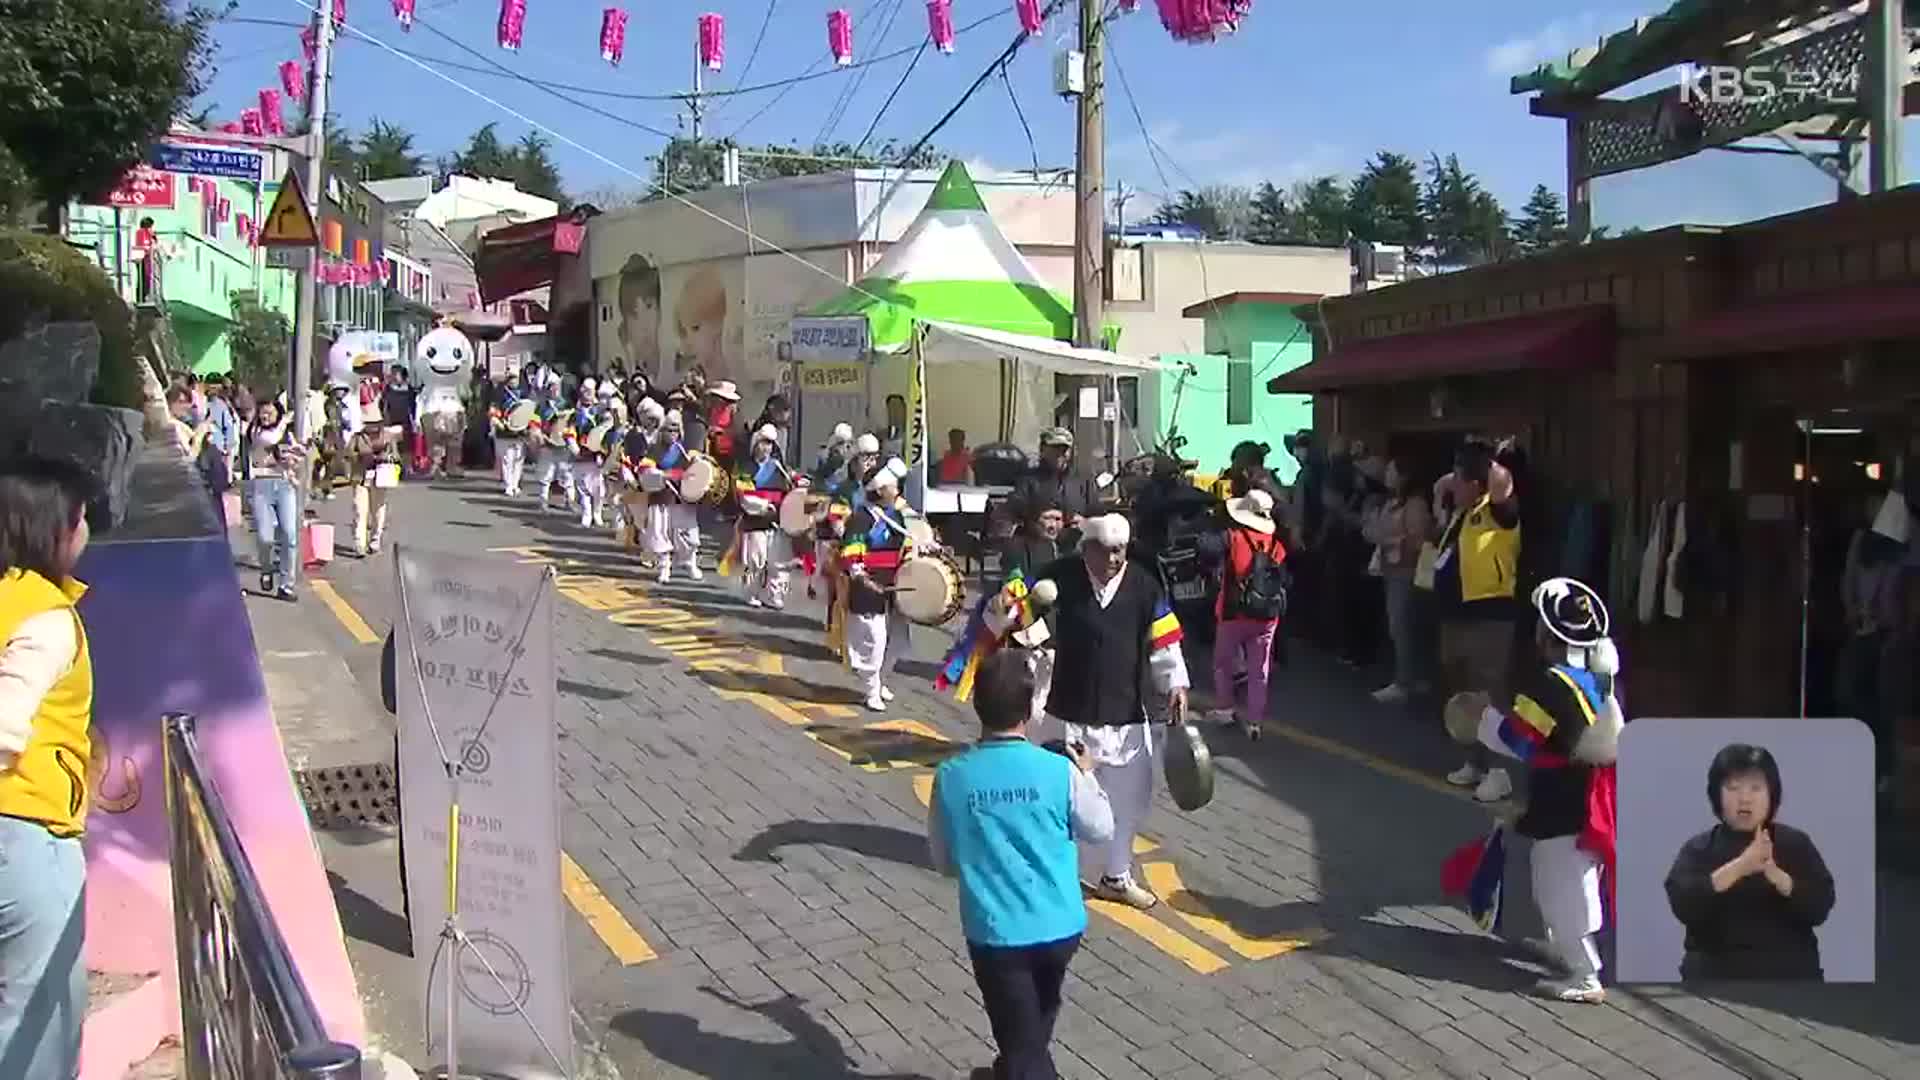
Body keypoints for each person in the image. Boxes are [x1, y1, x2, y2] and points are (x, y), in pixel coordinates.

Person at [926, 649, 1113, 1080]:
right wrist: (1085, 773)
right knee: (1031, 1027)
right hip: (1061, 926)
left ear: (977, 705)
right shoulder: (1058, 770)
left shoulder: (952, 776)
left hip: (996, 933)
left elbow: (943, 861)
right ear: (1028, 712)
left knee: (1023, 1044)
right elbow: (1101, 828)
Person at [1458, 576, 1623, 1003]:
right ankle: (1568, 952)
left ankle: (1585, 974)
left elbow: (1521, 740)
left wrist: (1481, 717)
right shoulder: (1598, 677)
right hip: (1586, 793)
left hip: (1567, 798)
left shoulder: (1553, 683)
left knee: (1561, 882)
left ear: (1547, 634)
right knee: (1569, 877)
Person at [1027, 514, 1190, 910]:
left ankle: (1116, 876)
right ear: (1088, 549)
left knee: (1129, 802)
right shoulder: (1057, 577)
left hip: (1127, 714)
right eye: (1107, 550)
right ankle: (1054, 874)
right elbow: (1017, 617)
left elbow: (1165, 642)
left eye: (1121, 550)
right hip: (1067, 709)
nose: (1115, 559)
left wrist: (1176, 684)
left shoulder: (1145, 586)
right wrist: (1025, 632)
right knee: (1058, 800)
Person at [0, 458, 97, 1080]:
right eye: (81, 518)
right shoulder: (47, 617)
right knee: (40, 1025)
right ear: (52, 529)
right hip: (30, 835)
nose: (86, 531)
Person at [1664, 743, 1835, 981]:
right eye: (1733, 788)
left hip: (1791, 975)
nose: (1744, 799)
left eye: (1756, 788)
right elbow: (1683, 904)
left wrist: (1778, 877)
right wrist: (1740, 867)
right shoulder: (1700, 848)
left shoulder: (1795, 843)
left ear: (1771, 794)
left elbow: (1820, 907)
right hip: (1714, 975)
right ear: (1717, 795)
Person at [1433, 438, 1522, 803]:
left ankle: (1500, 772)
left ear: (1476, 482)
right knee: (1461, 694)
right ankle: (1473, 761)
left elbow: (1500, 482)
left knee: (1491, 694)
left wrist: (1491, 458)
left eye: (1459, 476)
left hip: (1489, 616)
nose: (1451, 482)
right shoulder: (1461, 514)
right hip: (1454, 616)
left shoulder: (1499, 511)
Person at [1207, 489, 1286, 742]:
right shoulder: (1277, 545)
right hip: (1267, 616)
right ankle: (1255, 720)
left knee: (1224, 663)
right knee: (1259, 668)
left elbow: (1205, 548)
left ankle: (1225, 709)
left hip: (1233, 612)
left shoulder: (1233, 538)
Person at [841, 460, 914, 712]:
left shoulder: (896, 515)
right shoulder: (861, 518)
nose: (898, 490)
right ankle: (871, 688)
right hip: (869, 586)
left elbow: (905, 547)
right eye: (893, 485)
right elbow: (851, 557)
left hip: (894, 585)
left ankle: (880, 678)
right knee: (873, 639)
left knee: (897, 639)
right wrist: (864, 580)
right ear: (880, 489)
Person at [1369, 457, 1436, 704]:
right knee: (1403, 626)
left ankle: (1403, 682)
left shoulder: (1415, 504)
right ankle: (1412, 677)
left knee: (1402, 627)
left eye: (1391, 470)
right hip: (1392, 570)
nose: (1387, 474)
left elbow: (1419, 539)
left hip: (1407, 572)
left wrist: (1389, 539)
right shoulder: (1390, 502)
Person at [732, 425, 795, 609]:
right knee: (755, 560)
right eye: (763, 443)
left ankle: (774, 594)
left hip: (775, 522)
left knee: (778, 561)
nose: (766, 448)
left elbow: (787, 490)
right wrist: (764, 506)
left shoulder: (777, 467)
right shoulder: (747, 467)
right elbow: (744, 496)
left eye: (770, 444)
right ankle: (751, 592)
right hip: (755, 521)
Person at [247, 399, 303, 601]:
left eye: (270, 413)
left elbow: (298, 454)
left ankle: (286, 585)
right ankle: (266, 569)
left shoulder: (286, 434)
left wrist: (295, 457)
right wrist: (284, 421)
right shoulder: (255, 431)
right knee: (265, 537)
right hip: (262, 486)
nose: (265, 417)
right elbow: (270, 439)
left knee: (289, 535)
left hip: (284, 485)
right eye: (263, 413)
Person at [642, 409, 703, 583]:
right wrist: (662, 475)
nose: (672, 434)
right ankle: (664, 566)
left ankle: (689, 562)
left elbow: (696, 471)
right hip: (661, 497)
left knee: (688, 536)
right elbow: (645, 469)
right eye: (669, 430)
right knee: (660, 533)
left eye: (676, 430)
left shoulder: (686, 452)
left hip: (682, 499)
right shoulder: (654, 449)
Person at [1011, 428, 1094, 535]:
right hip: (1037, 544)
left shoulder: (1083, 480)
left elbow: (1097, 513)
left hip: (1074, 544)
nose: (1060, 454)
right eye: (1055, 448)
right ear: (1042, 449)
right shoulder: (1028, 479)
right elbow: (1013, 511)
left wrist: (1085, 522)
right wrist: (1038, 519)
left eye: (1064, 449)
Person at [347, 424, 403, 557]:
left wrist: (385, 458)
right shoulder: (357, 437)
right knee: (360, 511)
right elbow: (348, 454)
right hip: (361, 477)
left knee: (378, 509)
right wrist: (361, 457)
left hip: (381, 477)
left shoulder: (388, 437)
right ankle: (359, 544)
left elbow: (396, 457)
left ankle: (375, 539)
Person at [488, 372, 530, 497]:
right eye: (511, 378)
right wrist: (498, 422)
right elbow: (493, 410)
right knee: (507, 459)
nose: (513, 381)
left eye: (515, 378)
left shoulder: (524, 394)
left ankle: (515, 484)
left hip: (520, 432)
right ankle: (508, 485)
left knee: (518, 459)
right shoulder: (500, 393)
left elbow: (529, 410)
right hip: (505, 431)